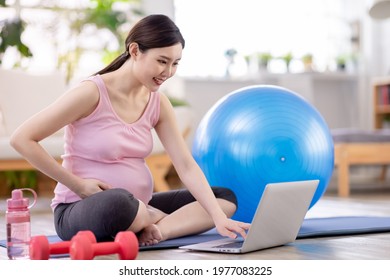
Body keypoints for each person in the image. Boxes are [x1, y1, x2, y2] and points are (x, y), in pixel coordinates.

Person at [10, 14, 250, 246]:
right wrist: (78, 185)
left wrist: (218, 217)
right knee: (121, 203)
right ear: (135, 51)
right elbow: (22, 139)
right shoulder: (91, 93)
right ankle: (150, 219)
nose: (168, 72)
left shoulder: (158, 102)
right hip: (82, 208)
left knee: (223, 199)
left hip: (140, 204)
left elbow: (185, 165)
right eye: (162, 61)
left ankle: (157, 230)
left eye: (175, 63)